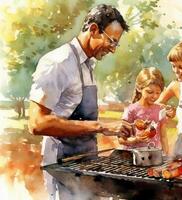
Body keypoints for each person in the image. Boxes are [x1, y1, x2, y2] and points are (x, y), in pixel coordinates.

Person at [28, 4, 133, 200]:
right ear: (93, 29)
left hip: (87, 163)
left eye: (116, 44)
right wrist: (101, 126)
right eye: (111, 41)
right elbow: (36, 123)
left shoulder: (88, 64)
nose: (113, 49)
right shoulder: (58, 62)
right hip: (63, 167)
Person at [119, 67, 170, 155]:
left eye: (158, 93)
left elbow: (164, 136)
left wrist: (167, 156)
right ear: (139, 88)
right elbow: (121, 139)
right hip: (133, 157)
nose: (154, 96)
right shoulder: (131, 110)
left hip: (152, 157)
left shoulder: (160, 110)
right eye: (150, 92)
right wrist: (136, 140)